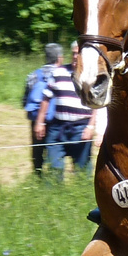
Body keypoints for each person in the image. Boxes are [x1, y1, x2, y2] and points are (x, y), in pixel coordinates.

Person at [34, 46, 96, 177]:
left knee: (83, 171)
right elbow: (46, 97)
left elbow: (97, 105)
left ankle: (82, 194)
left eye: (78, 54)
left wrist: (90, 126)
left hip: (81, 128)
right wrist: (40, 122)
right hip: (58, 128)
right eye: (73, 53)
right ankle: (54, 194)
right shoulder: (59, 72)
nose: (75, 56)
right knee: (54, 169)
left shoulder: (91, 75)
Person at [24, 42, 63, 175]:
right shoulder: (62, 75)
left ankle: (37, 175)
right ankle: (54, 177)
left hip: (36, 120)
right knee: (55, 150)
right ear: (59, 58)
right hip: (56, 120)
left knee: (37, 150)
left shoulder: (33, 76)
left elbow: (25, 100)